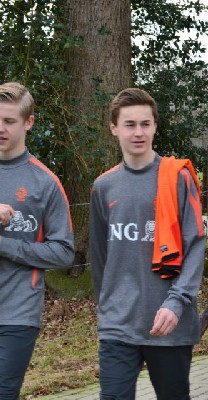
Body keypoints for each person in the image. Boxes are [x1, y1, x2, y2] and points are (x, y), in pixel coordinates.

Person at [89, 88, 206, 399]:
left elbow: (195, 244)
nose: (138, 132)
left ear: (155, 126)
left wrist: (177, 301)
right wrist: (107, 308)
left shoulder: (177, 178)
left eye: (145, 124)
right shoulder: (103, 186)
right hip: (118, 325)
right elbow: (100, 257)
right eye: (129, 124)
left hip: (169, 322)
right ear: (114, 127)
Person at [0, 82, 74, 399]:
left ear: (28, 122)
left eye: (9, 121)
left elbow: (63, 253)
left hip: (17, 313)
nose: (0, 128)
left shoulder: (44, 182)